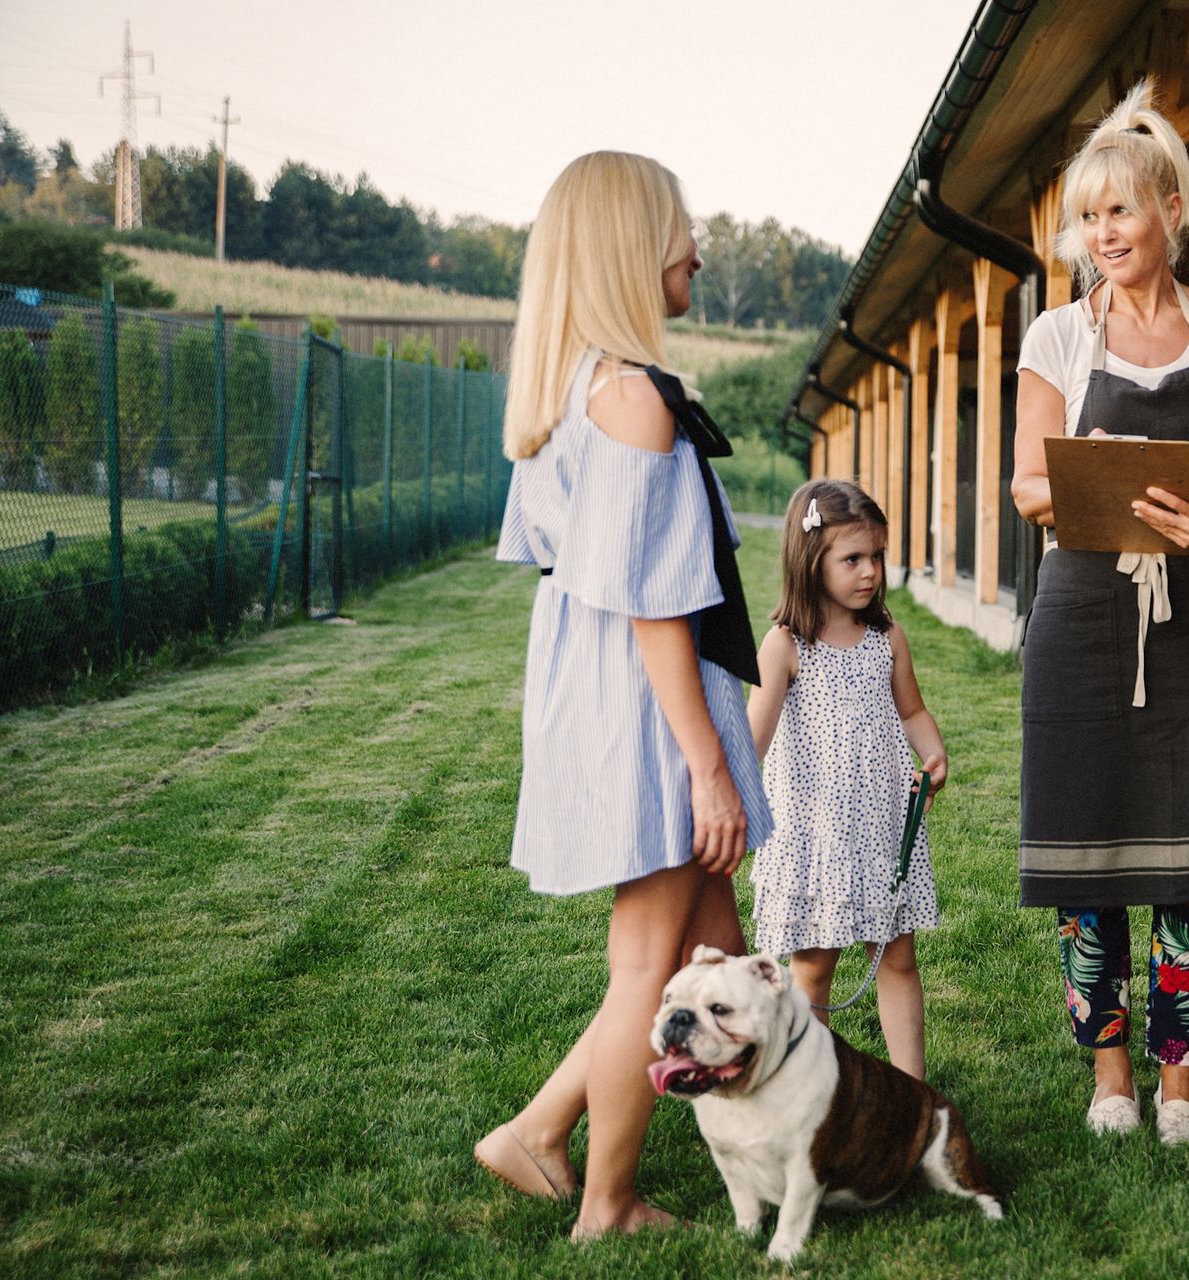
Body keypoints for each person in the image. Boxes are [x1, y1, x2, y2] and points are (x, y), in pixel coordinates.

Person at [474, 151, 772, 1237]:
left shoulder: (577, 387)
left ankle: (538, 1132)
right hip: (644, 697)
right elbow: (655, 608)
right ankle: (606, 1203)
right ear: (628, 248)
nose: (699, 241)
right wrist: (707, 765)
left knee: (708, 944)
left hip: (600, 686)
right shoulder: (634, 400)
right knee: (649, 968)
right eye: (681, 223)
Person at [1009, 81, 1189, 1146]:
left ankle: (1180, 1079)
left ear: (1170, 206)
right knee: (1089, 856)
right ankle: (1109, 1073)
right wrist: (1098, 481)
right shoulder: (1059, 336)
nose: (1102, 233)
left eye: (1120, 210)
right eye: (1088, 216)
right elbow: (1029, 483)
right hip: (1079, 621)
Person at [745, 479, 947, 1080]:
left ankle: (912, 1090)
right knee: (813, 970)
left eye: (877, 557)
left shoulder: (887, 639)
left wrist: (933, 755)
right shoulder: (786, 645)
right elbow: (753, 738)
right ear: (811, 562)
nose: (869, 572)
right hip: (813, 840)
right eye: (852, 559)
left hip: (882, 832)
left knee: (897, 959)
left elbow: (912, 711)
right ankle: (814, 1090)